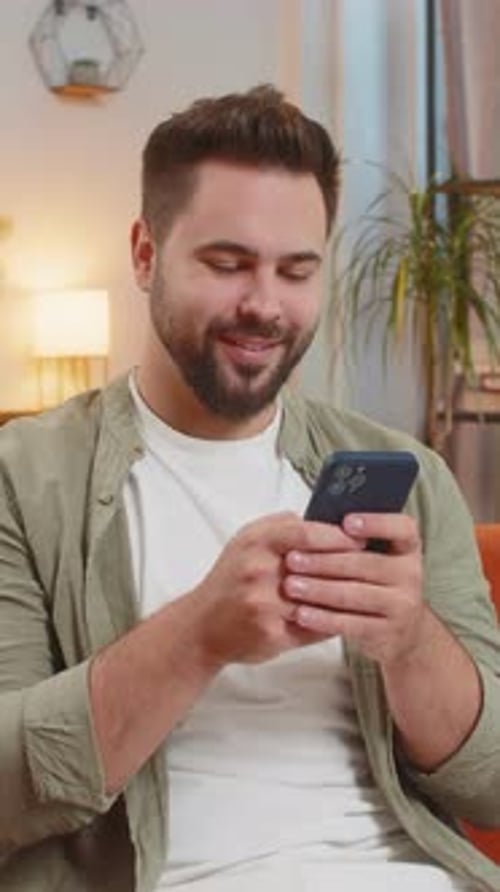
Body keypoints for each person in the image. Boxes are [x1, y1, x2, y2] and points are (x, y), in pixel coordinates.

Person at [0, 85, 499, 892]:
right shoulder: (25, 479)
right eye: (227, 264)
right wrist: (199, 635)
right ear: (144, 254)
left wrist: (408, 640)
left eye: (296, 270)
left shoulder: (406, 476)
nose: (265, 305)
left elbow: (491, 787)